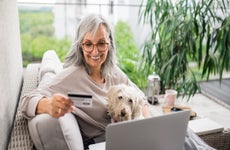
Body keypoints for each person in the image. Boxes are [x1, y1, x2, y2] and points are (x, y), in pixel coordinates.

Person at [20, 14, 149, 150]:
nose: (95, 51)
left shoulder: (113, 72)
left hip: (126, 138)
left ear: (109, 44)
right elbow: (26, 101)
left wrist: (146, 128)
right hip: (99, 143)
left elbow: (141, 98)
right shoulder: (70, 77)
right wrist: (47, 104)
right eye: (88, 44)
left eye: (101, 43)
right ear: (80, 46)